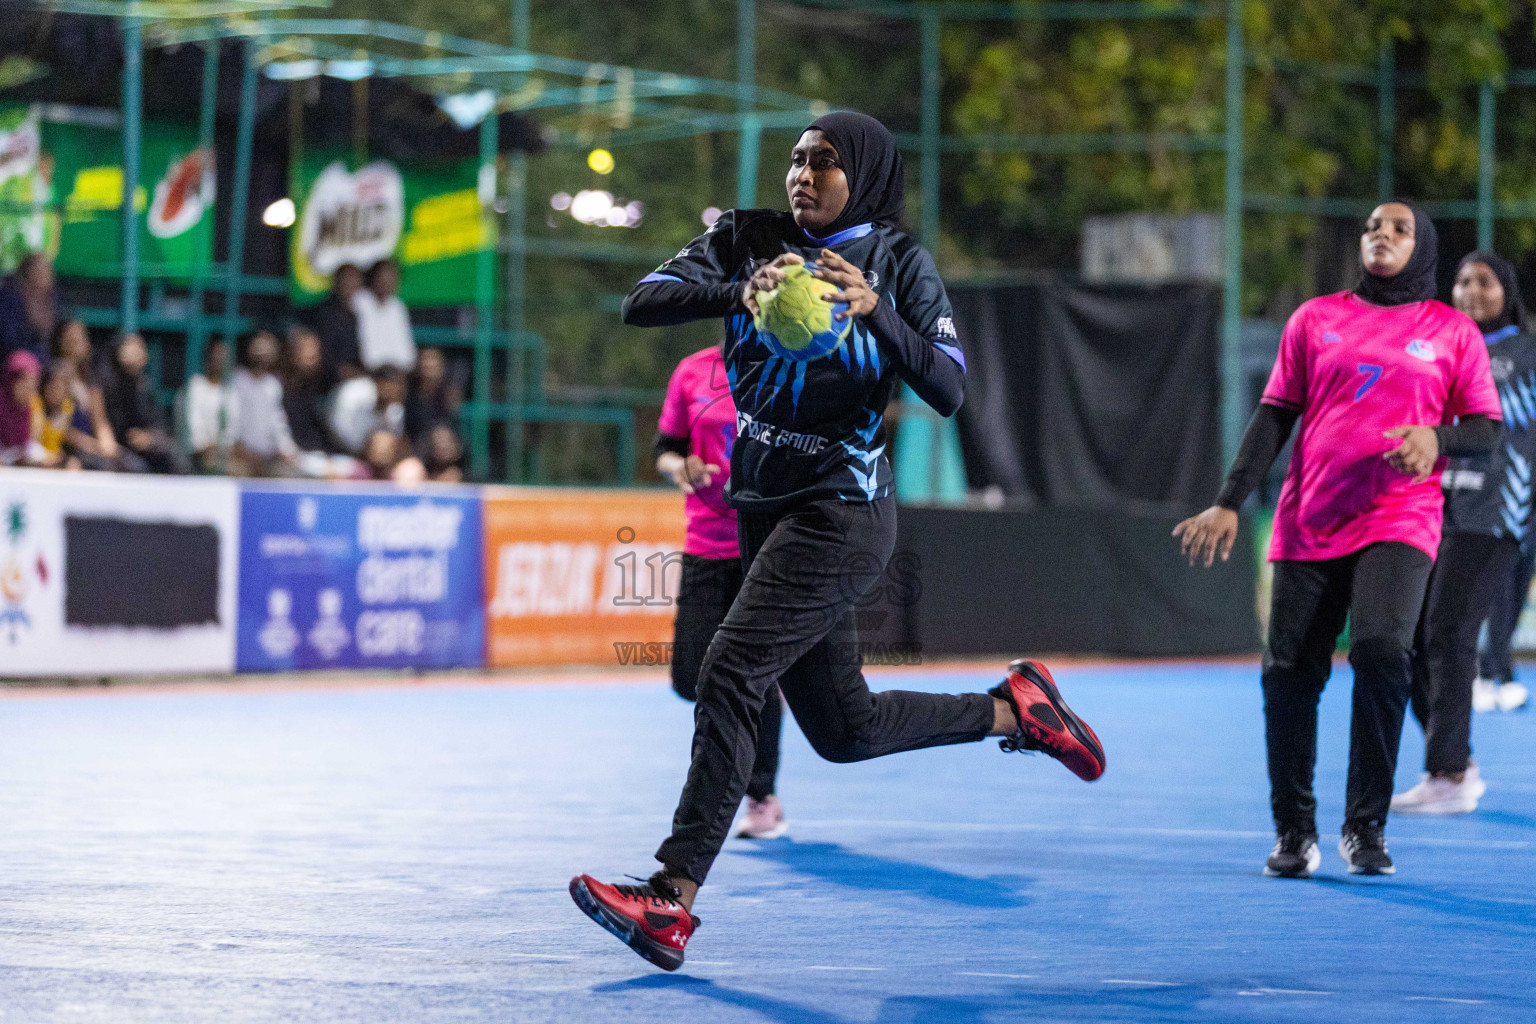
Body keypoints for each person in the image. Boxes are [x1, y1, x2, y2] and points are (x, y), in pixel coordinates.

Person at [570, 111, 1105, 972]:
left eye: (824, 162)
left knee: (730, 670)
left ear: (864, 175)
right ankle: (1018, 709)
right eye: (796, 159)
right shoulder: (749, 238)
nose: (802, 174)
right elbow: (643, 303)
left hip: (844, 513)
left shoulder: (898, 262)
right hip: (762, 507)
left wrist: (880, 313)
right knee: (844, 729)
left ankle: (670, 899)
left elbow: (950, 388)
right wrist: (733, 289)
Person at [1175, 202, 1500, 879]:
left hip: (1401, 517)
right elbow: (1273, 419)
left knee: (1383, 652)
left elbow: (1487, 431)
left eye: (1399, 228)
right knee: (1289, 676)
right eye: (1372, 227)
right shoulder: (1314, 319)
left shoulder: (1452, 331)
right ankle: (1295, 831)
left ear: (1424, 246)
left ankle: (1364, 827)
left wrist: (1437, 437)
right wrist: (1229, 503)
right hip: (1308, 520)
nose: (1381, 235)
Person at [1392, 252, 1536, 816]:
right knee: (1402, 639)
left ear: (1508, 290)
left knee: (1450, 631)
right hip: (1432, 508)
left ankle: (1449, 772)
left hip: (1495, 512)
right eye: (1461, 281)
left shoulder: (1525, 353)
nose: (1471, 290)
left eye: (1484, 281)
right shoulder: (1442, 349)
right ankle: (1457, 763)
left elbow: (1501, 422)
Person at [656, 341, 788, 839]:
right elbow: (665, 449)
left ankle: (761, 794)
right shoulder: (692, 371)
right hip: (706, 543)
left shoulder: (791, 366)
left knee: (752, 677)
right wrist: (680, 467)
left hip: (767, 544)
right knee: (690, 677)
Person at [98, 332, 187, 475]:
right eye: (132, 347)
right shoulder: (105, 382)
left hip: (143, 447)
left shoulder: (145, 385)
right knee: (133, 465)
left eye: (140, 348)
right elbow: (102, 423)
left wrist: (150, 437)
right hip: (115, 447)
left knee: (173, 454)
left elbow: (159, 424)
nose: (138, 353)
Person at [229, 330, 299, 477]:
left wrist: (288, 450)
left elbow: (278, 422)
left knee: (289, 474)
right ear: (249, 350)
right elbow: (231, 419)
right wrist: (237, 447)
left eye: (267, 351)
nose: (262, 355)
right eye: (258, 349)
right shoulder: (236, 380)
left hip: (266, 455)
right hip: (239, 452)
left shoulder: (272, 385)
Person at [51, 319, 118, 464]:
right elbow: (59, 424)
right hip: (68, 445)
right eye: (71, 337)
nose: (77, 342)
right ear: (61, 341)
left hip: (91, 443)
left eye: (81, 337)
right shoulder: (57, 375)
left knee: (130, 464)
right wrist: (90, 445)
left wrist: (108, 445)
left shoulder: (90, 379)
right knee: (102, 465)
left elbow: (100, 421)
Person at [180, 338, 238, 474]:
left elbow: (232, 430)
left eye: (224, 357)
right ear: (208, 358)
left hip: (224, 452)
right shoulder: (196, 387)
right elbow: (194, 429)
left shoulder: (231, 391)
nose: (220, 361)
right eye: (216, 356)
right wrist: (206, 448)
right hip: (198, 453)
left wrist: (226, 447)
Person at [307, 263, 365, 387]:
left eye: (353, 280)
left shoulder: (360, 315)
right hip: (327, 382)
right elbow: (322, 355)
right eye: (346, 279)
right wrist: (341, 371)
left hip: (359, 377)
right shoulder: (323, 314)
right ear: (335, 282)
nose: (349, 284)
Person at [353, 259, 416, 372]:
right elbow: (366, 345)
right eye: (383, 277)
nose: (386, 282)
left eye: (391, 277)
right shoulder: (359, 302)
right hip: (367, 371)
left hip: (398, 372)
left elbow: (406, 351)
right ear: (373, 278)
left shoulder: (397, 307)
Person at [331, 366, 407, 456]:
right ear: (379, 384)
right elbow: (340, 432)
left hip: (376, 457)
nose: (396, 392)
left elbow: (394, 439)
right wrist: (368, 447)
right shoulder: (354, 394)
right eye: (393, 387)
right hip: (336, 450)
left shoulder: (395, 407)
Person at [0, 253, 58, 362]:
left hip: (42, 360)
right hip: (14, 359)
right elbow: (8, 338)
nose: (44, 274)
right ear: (27, 271)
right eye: (39, 268)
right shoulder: (10, 296)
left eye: (47, 269)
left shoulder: (51, 300)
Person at [404, 347, 460, 448]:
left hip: (440, 446)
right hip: (415, 444)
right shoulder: (408, 392)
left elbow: (451, 421)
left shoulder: (449, 393)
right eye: (426, 363)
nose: (429, 368)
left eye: (433, 364)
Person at [0, 351, 47, 466]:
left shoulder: (30, 407)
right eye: (26, 386)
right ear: (12, 382)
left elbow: (28, 444)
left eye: (33, 386)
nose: (30, 392)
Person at [361, 427, 425, 483]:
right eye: (377, 445)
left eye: (387, 446)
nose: (382, 450)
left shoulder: (407, 471)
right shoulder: (359, 473)